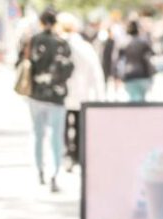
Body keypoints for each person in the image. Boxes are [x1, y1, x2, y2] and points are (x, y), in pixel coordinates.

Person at [26, 8, 74, 192]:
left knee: (38, 134)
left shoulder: (34, 40)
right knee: (56, 137)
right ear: (55, 23)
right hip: (56, 96)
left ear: (41, 22)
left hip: (36, 94)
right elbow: (69, 69)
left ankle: (40, 170)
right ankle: (55, 173)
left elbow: (24, 64)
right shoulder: (62, 43)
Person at [57, 12, 105, 172]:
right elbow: (96, 72)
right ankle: (77, 154)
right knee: (79, 125)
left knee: (62, 126)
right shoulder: (84, 46)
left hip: (62, 94)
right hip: (81, 93)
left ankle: (67, 155)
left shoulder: (58, 44)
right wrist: (99, 96)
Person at [119, 20, 154, 102]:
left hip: (129, 75)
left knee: (133, 100)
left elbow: (118, 60)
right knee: (141, 100)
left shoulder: (124, 43)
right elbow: (151, 55)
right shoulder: (143, 42)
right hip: (142, 74)